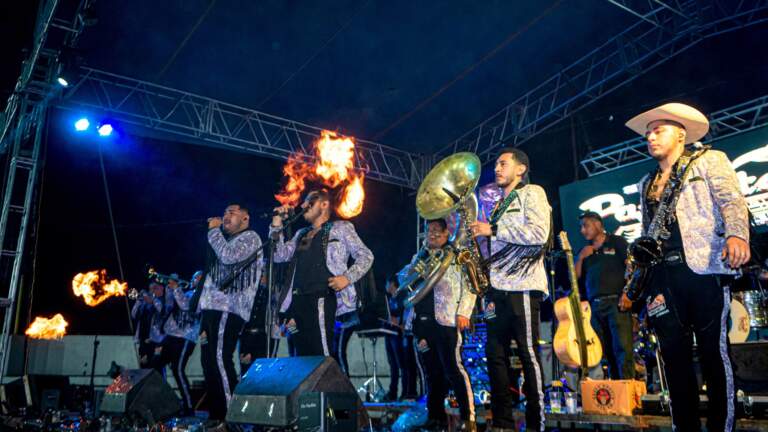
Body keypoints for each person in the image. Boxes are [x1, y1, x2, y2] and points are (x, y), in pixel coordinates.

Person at [621, 103, 750, 432]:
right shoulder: (645, 181)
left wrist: (737, 234)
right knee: (674, 360)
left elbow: (731, 199)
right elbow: (649, 232)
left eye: (658, 130)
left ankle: (722, 427)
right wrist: (636, 276)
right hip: (662, 280)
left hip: (704, 269)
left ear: (681, 134)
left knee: (713, 355)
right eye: (648, 132)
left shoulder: (708, 160)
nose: (650, 137)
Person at [470, 148, 551, 432]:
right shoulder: (495, 207)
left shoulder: (533, 194)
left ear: (521, 169)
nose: (497, 169)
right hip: (496, 289)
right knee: (495, 356)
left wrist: (491, 230)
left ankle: (536, 423)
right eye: (495, 165)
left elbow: (539, 234)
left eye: (503, 164)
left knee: (529, 354)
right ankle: (502, 423)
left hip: (524, 287)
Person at [270, 188, 373, 357]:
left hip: (322, 298)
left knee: (322, 355)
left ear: (324, 204)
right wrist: (276, 225)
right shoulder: (300, 234)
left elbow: (366, 255)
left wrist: (347, 278)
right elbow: (278, 255)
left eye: (309, 200)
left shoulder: (341, 228)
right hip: (297, 302)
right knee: (302, 358)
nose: (303, 205)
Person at [406, 218, 477, 431]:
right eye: (429, 231)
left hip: (446, 320)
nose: (433, 234)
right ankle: (435, 417)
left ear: (447, 234)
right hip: (422, 323)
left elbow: (470, 287)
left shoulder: (456, 256)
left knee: (453, 370)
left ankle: (468, 418)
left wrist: (464, 312)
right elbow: (408, 284)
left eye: (437, 230)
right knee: (430, 372)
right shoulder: (419, 256)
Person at [199, 203, 263, 424]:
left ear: (245, 219)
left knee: (220, 359)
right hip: (212, 309)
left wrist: (214, 231)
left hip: (229, 307)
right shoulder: (225, 240)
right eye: (224, 212)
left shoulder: (251, 238)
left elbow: (228, 257)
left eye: (232, 213)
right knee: (208, 363)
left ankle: (231, 418)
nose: (225, 216)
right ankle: (217, 416)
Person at [575, 211, 634, 379]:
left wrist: (628, 294)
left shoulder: (617, 242)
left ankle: (628, 394)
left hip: (617, 302)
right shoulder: (585, 251)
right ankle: (613, 393)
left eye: (585, 225)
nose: (582, 230)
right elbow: (575, 278)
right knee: (603, 352)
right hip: (594, 307)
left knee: (622, 349)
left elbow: (630, 267)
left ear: (598, 224)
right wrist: (580, 258)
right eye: (581, 227)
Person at [156, 272, 201, 415]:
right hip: (171, 336)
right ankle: (165, 400)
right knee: (156, 364)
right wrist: (169, 289)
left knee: (178, 369)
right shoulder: (185, 292)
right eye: (195, 278)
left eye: (199, 278)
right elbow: (169, 305)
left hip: (186, 338)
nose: (195, 280)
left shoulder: (202, 296)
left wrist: (176, 288)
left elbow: (186, 306)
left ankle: (189, 407)